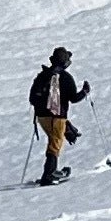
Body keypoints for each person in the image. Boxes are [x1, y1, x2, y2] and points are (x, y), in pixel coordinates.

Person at [28, 47, 89, 186]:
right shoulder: (66, 78)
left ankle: (51, 171)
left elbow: (32, 98)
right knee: (55, 144)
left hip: (42, 117)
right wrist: (85, 91)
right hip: (57, 117)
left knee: (53, 140)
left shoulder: (42, 75)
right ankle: (48, 174)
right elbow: (73, 98)